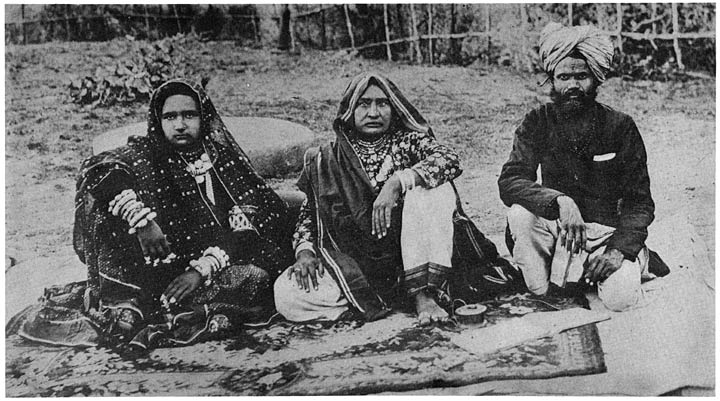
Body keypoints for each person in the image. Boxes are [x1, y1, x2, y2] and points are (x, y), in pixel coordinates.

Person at [18, 79, 293, 349]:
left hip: (213, 264)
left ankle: (176, 307)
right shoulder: (146, 152)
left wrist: (201, 269)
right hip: (156, 262)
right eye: (170, 116)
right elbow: (98, 168)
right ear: (158, 120)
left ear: (204, 117)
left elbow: (246, 231)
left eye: (189, 115)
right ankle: (130, 301)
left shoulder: (223, 161)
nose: (180, 124)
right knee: (107, 210)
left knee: (256, 277)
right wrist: (142, 220)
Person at [274, 72, 518, 325]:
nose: (373, 112)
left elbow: (449, 160)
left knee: (433, 189)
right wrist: (304, 251)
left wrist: (397, 182)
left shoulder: (407, 142)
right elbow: (308, 214)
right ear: (349, 110)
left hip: (415, 254)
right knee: (287, 293)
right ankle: (378, 298)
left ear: (394, 107)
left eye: (382, 103)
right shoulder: (327, 159)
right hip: (361, 263)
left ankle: (424, 295)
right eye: (364, 103)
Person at [498, 23, 657, 311]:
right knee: (520, 215)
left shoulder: (620, 126)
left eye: (582, 76)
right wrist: (559, 201)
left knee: (621, 299)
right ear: (552, 80)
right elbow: (510, 180)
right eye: (564, 77)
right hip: (560, 229)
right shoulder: (537, 121)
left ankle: (592, 275)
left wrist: (618, 251)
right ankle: (550, 287)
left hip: (605, 236)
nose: (572, 85)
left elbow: (640, 204)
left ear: (597, 79)